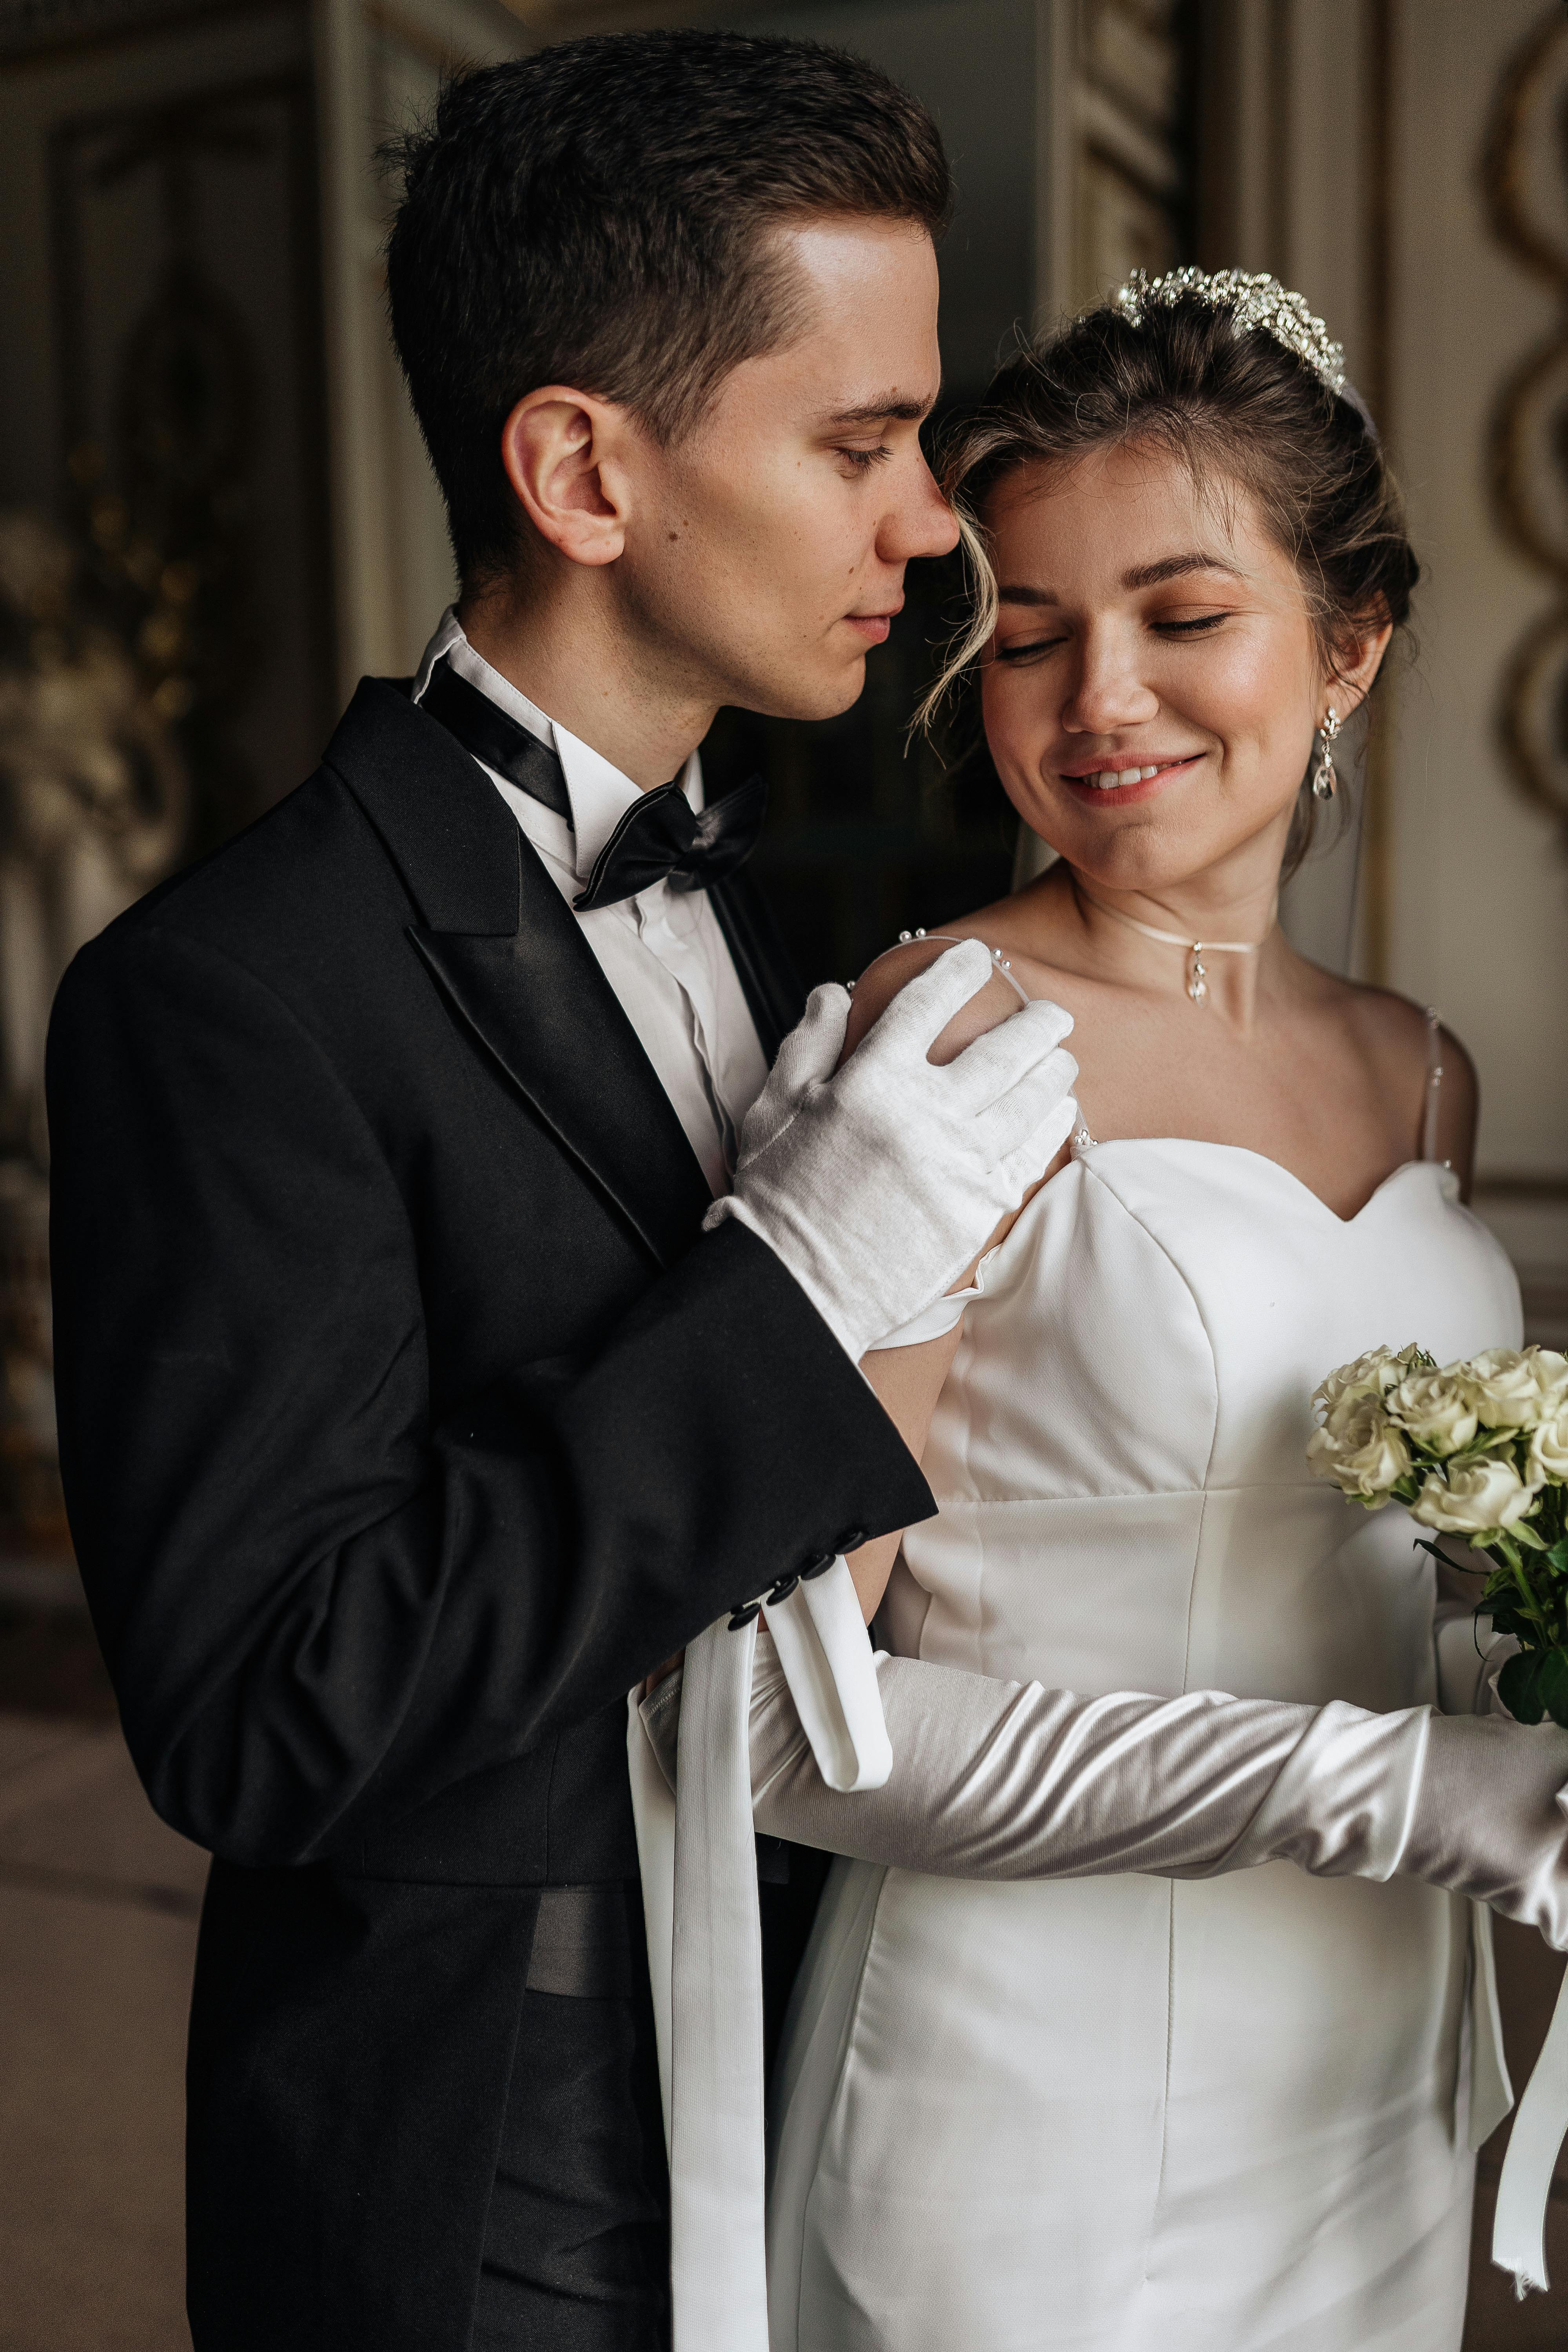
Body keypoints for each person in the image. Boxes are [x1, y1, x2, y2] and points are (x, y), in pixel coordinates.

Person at [39, 35, 1565, 2351]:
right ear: (582, 470)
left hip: (875, 2049)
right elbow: (274, 1708)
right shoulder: (237, 988)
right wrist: (788, 1278)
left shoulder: (759, 949)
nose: (935, 532)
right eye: (862, 448)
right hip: (500, 2150)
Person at [756, 273, 1542, 2351]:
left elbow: (1376, 1582)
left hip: (1375, 2068)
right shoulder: (941, 1040)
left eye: (1183, 619)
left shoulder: (1423, 1067)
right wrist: (1375, 1787)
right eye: (1026, 634)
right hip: (1035, 2109)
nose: (1097, 698)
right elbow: (782, 1731)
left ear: (1348, 646)